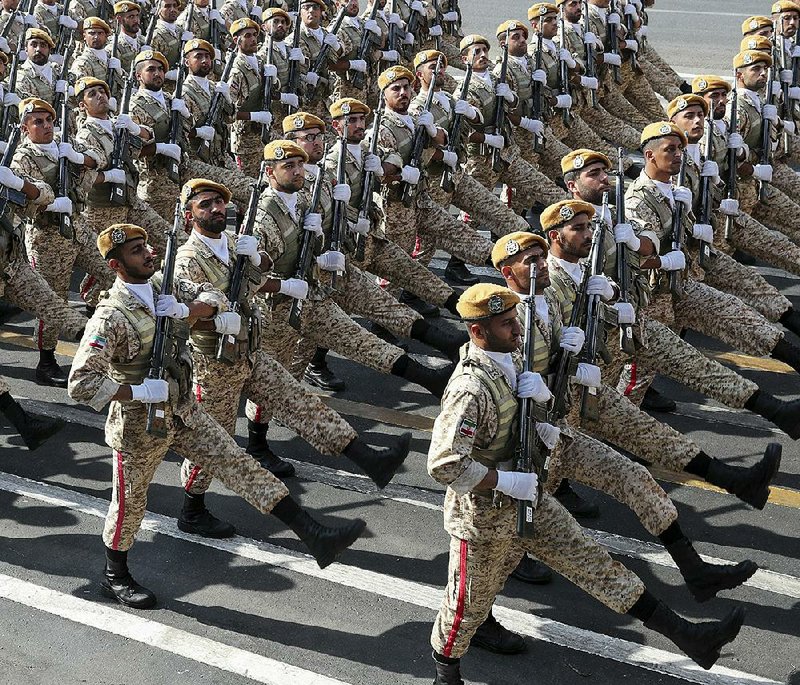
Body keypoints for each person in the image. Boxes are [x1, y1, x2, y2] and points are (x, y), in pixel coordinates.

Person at [427, 282, 744, 683]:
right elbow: (444, 464)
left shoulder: (514, 361)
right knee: (465, 607)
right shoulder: (469, 389)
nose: (517, 329)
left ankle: (689, 636)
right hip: (483, 519)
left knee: (594, 563)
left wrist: (543, 414)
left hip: (533, 498)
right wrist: (505, 480)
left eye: (515, 320)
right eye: (506, 324)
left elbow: (522, 419)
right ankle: (445, 674)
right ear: (478, 331)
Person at [68, 222, 367, 609]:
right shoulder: (110, 316)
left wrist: (188, 310)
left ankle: (313, 534)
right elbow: (81, 383)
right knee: (129, 504)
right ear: (116, 266)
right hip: (139, 426)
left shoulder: (165, 284)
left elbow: (215, 297)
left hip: (183, 411)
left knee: (238, 463)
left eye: (146, 245)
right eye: (136, 251)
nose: (148, 253)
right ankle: (114, 575)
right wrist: (138, 391)